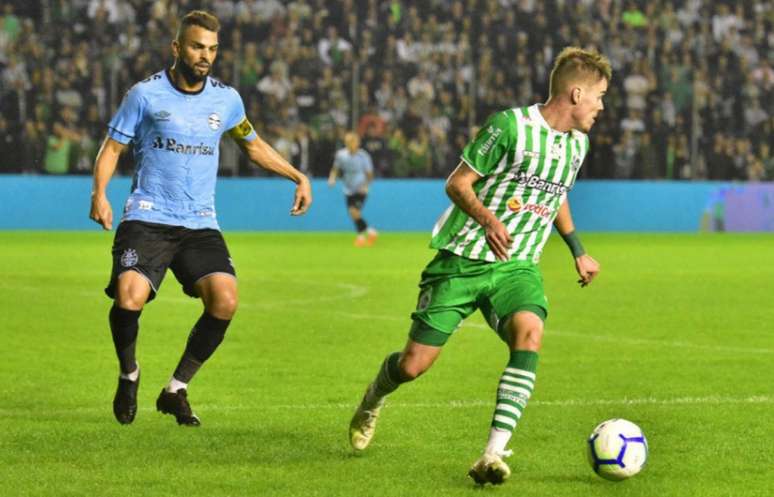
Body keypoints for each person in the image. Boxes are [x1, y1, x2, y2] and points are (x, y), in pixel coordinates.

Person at [348, 47, 609, 485]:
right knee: (413, 365)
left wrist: (577, 249)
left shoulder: (577, 144)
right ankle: (374, 397)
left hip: (517, 265)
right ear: (576, 93)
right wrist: (489, 220)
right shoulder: (509, 127)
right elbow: (458, 182)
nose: (602, 106)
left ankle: (492, 454)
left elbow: (557, 191)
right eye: (599, 96)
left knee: (530, 333)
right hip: (462, 260)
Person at [89, 10, 312, 427]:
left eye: (211, 48)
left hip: (200, 221)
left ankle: (175, 390)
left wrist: (297, 175)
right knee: (128, 297)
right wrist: (99, 193)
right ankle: (129, 373)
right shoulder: (144, 95)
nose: (205, 55)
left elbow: (253, 144)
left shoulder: (226, 99)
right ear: (177, 48)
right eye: (196, 46)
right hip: (149, 215)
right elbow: (113, 148)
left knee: (225, 300)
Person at [328, 131, 378, 246]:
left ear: (357, 143)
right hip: (348, 188)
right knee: (354, 214)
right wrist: (332, 178)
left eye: (352, 141)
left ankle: (367, 234)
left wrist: (366, 186)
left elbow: (369, 174)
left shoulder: (363, 156)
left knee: (354, 211)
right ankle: (364, 235)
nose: (350, 144)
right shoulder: (341, 155)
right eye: (347, 142)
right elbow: (335, 168)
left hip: (360, 188)